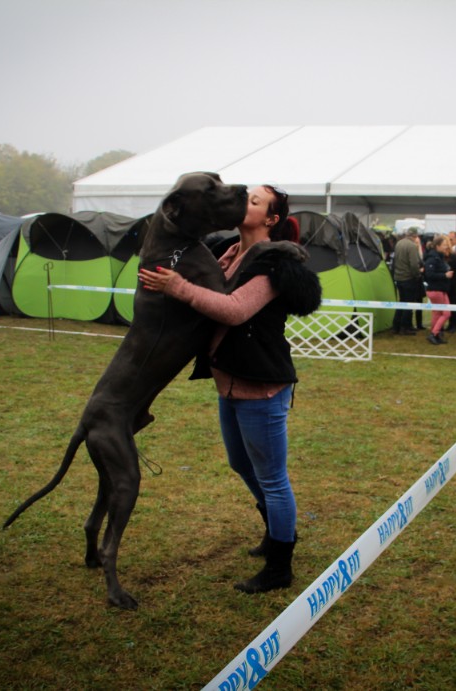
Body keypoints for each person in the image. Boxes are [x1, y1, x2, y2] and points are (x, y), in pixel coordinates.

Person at [138, 184, 321, 594]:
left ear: (271, 219)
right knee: (241, 464)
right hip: (231, 382)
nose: (243, 203)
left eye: (254, 202)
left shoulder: (273, 263)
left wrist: (178, 287)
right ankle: (277, 529)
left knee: (272, 478)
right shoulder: (229, 252)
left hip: (261, 386)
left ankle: (280, 565)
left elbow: (235, 311)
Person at [422, 234, 454, 345]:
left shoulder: (439, 257)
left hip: (441, 289)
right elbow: (429, 275)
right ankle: (434, 333)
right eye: (444, 245)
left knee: (437, 313)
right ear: (437, 246)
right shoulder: (432, 258)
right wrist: (445, 275)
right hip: (435, 290)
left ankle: (435, 334)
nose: (446, 246)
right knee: (446, 313)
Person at [390, 228, 422, 335]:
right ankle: (405, 327)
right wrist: (417, 275)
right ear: (415, 236)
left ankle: (396, 326)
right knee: (409, 304)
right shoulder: (412, 246)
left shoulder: (399, 243)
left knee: (401, 302)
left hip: (399, 277)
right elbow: (414, 264)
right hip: (408, 278)